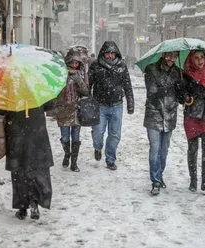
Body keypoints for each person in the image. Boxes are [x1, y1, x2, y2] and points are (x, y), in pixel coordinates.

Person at [0, 102, 55, 220]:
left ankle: (22, 207)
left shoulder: (10, 88)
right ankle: (34, 201)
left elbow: (0, 109)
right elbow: (50, 105)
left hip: (16, 132)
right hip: (37, 131)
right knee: (37, 169)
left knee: (19, 170)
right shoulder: (38, 86)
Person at [143, 51, 186, 195]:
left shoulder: (179, 73)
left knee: (164, 151)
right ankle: (155, 180)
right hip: (154, 114)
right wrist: (170, 88)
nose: (171, 59)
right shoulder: (151, 69)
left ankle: (159, 174)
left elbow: (180, 98)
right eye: (168, 55)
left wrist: (182, 92)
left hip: (170, 116)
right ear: (163, 55)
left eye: (174, 56)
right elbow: (152, 92)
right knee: (155, 149)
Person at [88, 41, 134, 170]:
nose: (109, 56)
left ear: (116, 54)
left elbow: (128, 86)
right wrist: (85, 101)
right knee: (98, 132)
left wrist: (130, 103)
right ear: (103, 53)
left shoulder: (122, 66)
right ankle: (97, 147)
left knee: (115, 134)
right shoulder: (96, 66)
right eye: (107, 53)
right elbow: (88, 85)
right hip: (99, 105)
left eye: (112, 53)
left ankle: (110, 159)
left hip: (117, 105)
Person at [182, 50, 205, 194]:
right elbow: (182, 96)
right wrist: (185, 95)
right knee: (192, 149)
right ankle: (193, 180)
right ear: (191, 59)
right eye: (196, 58)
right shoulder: (185, 75)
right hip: (191, 116)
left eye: (202, 57)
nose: (200, 61)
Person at [54, 51, 89, 172]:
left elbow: (86, 91)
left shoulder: (81, 74)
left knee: (76, 138)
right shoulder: (60, 73)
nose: (74, 65)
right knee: (64, 137)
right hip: (63, 109)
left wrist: (78, 79)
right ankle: (67, 154)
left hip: (76, 109)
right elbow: (55, 89)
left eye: (77, 62)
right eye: (72, 62)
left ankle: (74, 162)